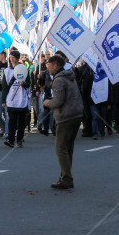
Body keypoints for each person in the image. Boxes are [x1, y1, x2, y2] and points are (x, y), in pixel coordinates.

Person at [44, 55, 83, 190]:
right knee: (68, 148)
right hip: (76, 114)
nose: (47, 68)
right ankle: (64, 176)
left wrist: (48, 102)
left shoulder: (59, 80)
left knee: (60, 148)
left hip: (65, 116)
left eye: (48, 65)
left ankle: (66, 178)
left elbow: (58, 101)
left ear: (55, 65)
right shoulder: (69, 76)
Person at [3, 51, 31, 148]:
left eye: (13, 57)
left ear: (17, 58)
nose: (11, 59)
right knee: (12, 122)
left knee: (21, 123)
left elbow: (29, 83)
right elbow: (5, 86)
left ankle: (19, 140)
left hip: (21, 100)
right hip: (11, 99)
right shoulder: (7, 71)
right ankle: (11, 140)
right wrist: (3, 100)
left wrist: (24, 84)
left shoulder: (25, 69)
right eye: (10, 57)